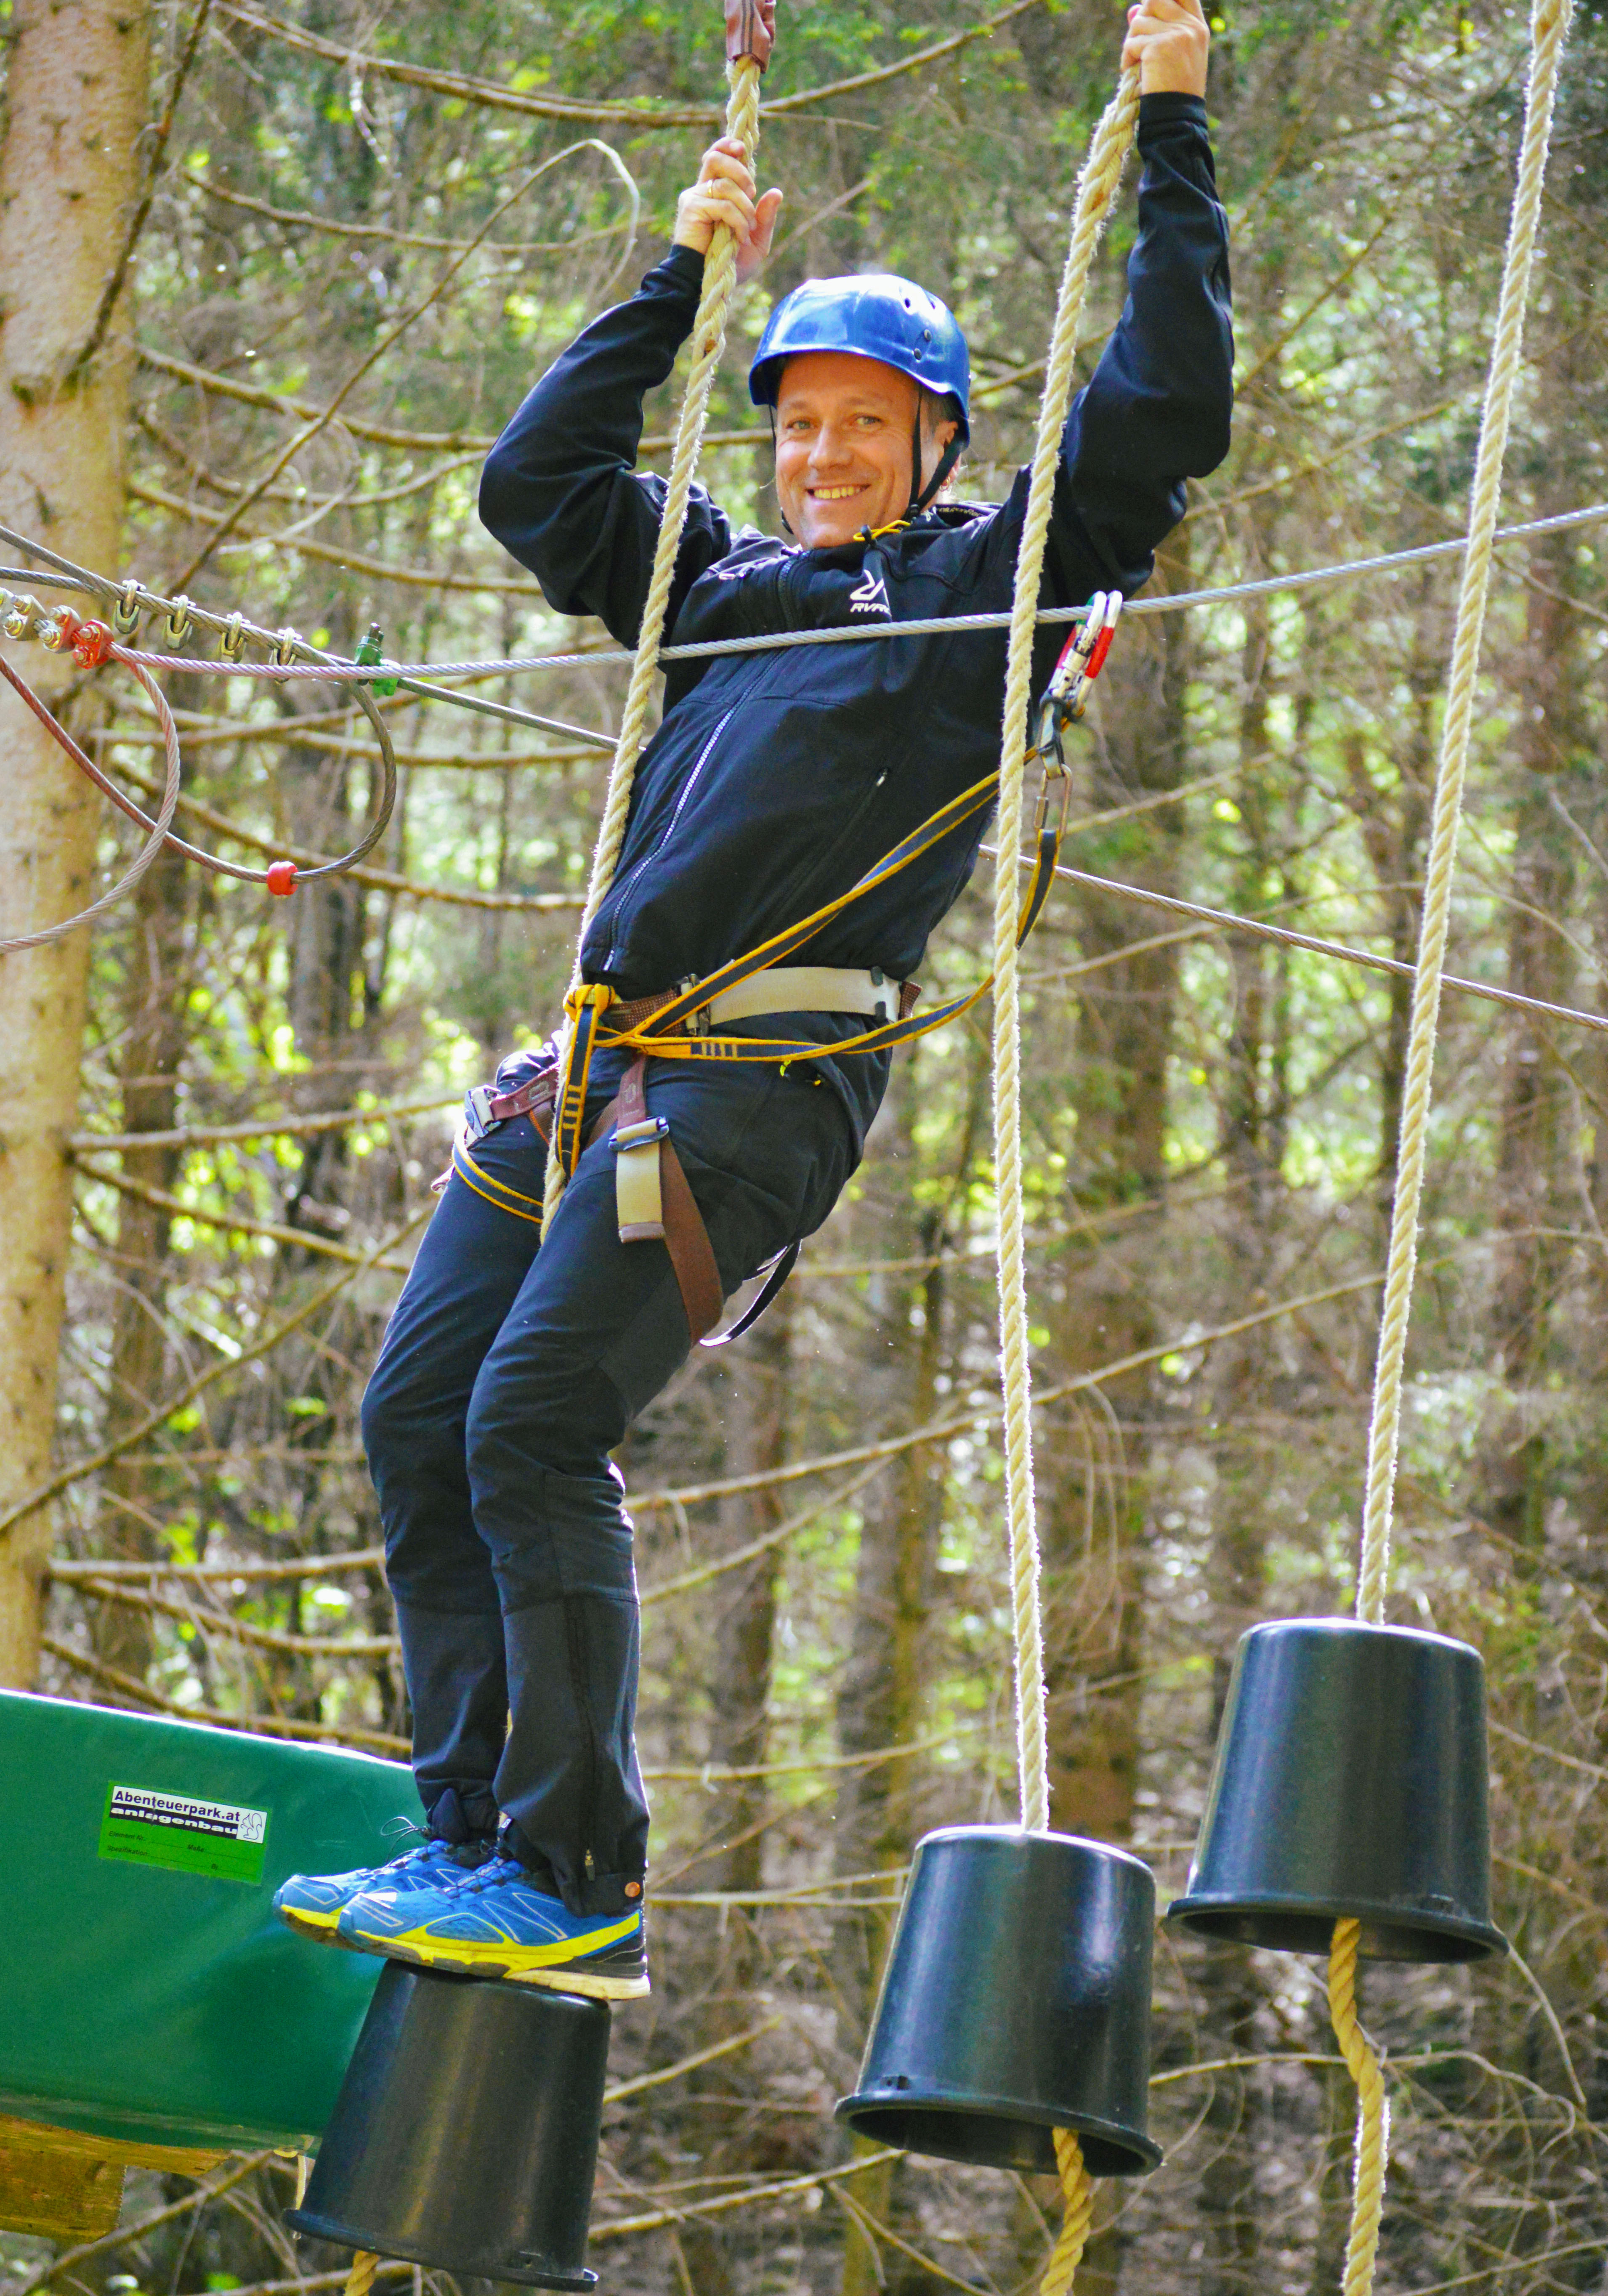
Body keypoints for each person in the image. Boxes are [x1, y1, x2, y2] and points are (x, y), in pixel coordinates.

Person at [272, 0, 1231, 2001]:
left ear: (934, 446)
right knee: (419, 1408)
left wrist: (1168, 131)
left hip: (753, 1089)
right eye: (796, 422)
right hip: (592, 1073)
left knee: (536, 1417)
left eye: (862, 425)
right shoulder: (712, 588)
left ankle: (576, 1867)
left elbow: (1162, 407)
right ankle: (471, 1834)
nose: (817, 453)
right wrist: (681, 275)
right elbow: (537, 483)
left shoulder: (988, 593)